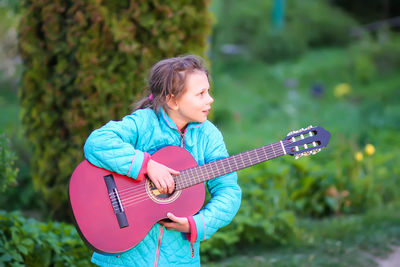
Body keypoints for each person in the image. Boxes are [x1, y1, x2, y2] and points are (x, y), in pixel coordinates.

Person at [83, 55, 242, 266]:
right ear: (172, 100)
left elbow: (228, 191)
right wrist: (147, 165)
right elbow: (98, 142)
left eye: (208, 91)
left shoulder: (209, 136)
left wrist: (198, 223)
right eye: (201, 93)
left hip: (180, 259)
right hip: (124, 256)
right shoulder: (144, 122)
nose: (210, 99)